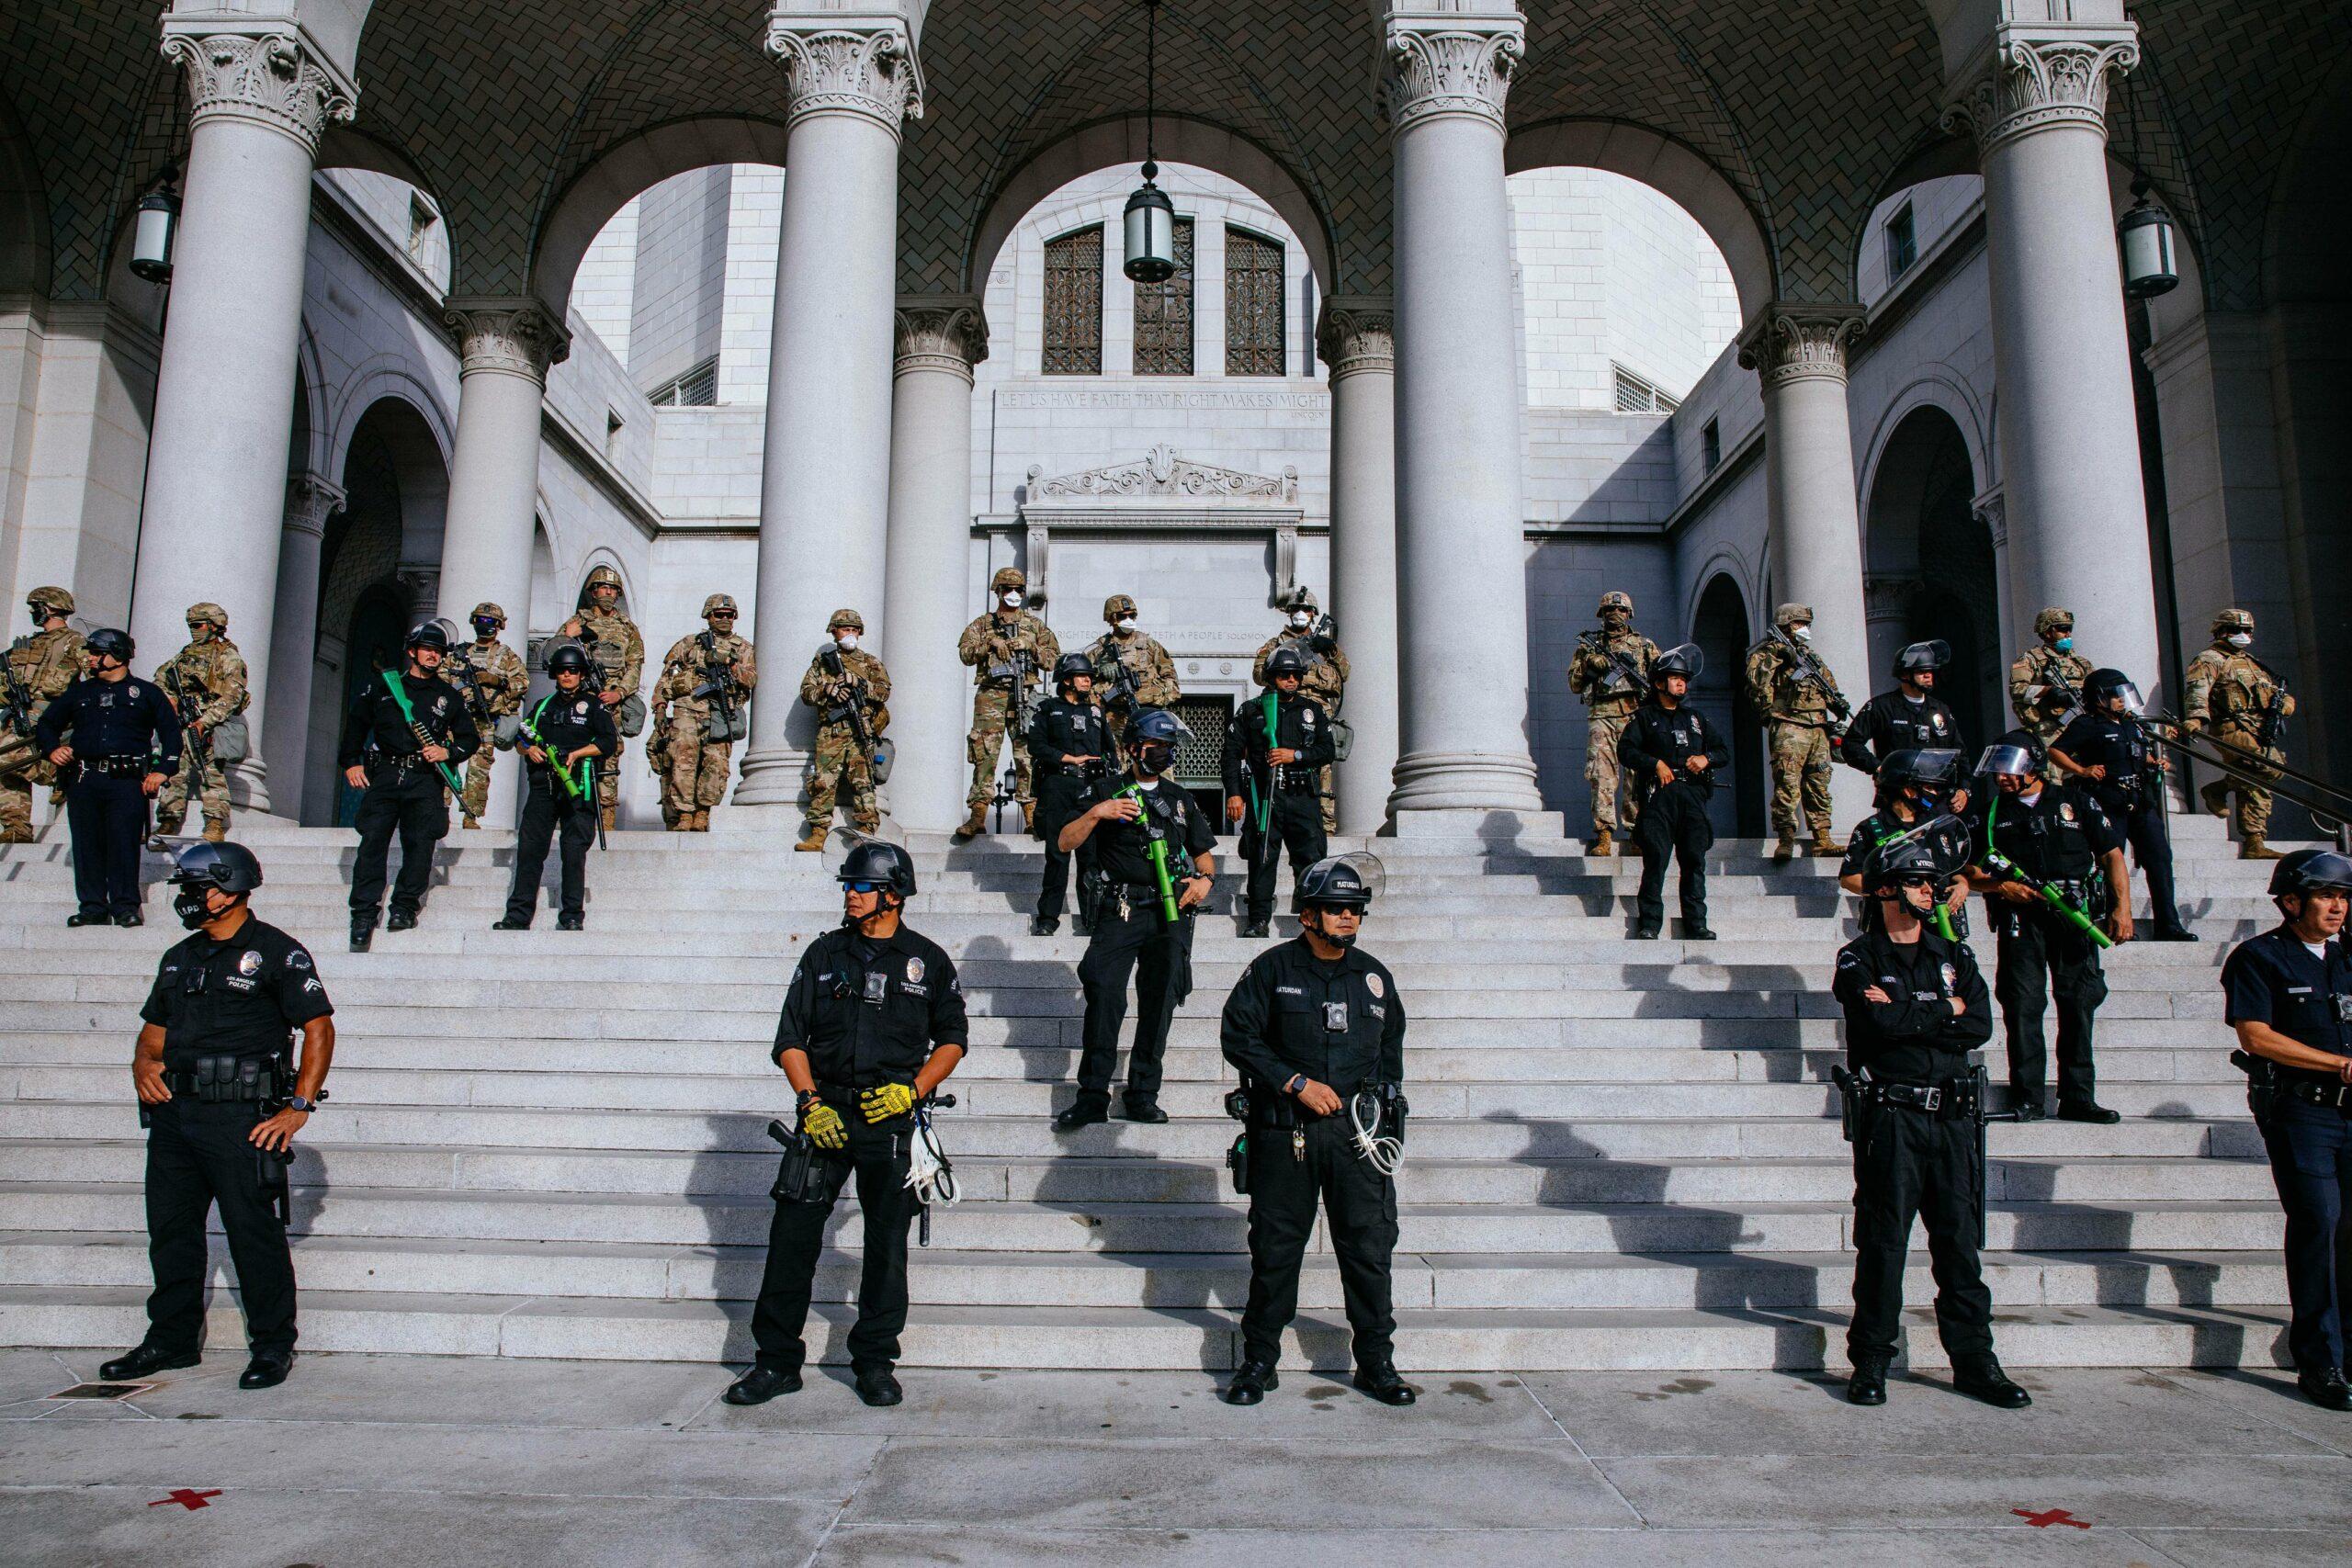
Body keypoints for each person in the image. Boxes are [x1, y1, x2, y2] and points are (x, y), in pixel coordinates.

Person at [727, 839, 967, 1410]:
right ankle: (776, 1362)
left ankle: (875, 1361)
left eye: (860, 887)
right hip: (825, 1113)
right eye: (848, 887)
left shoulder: (927, 960)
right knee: (791, 1241)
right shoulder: (822, 954)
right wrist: (810, 1102)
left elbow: (953, 1039)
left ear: (892, 895)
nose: (850, 896)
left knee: (887, 1245)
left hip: (890, 1119)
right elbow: (789, 1039)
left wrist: (912, 1090)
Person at [99, 840, 334, 1392]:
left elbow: (318, 1027)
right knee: (172, 1233)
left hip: (242, 1118)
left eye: (195, 888)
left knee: (254, 1235)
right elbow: (154, 1029)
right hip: (175, 1118)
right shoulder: (180, 955)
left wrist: (297, 1107)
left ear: (229, 891)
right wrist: (142, 1066)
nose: (187, 899)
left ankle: (272, 1346)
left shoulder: (277, 952)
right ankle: (171, 1341)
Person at [1832, 837, 2029, 1410]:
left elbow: (1980, 1028)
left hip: (1955, 1115)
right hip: (1893, 1116)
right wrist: (1946, 1010)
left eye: (1935, 884)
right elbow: (1878, 1025)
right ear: (1888, 888)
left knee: (1960, 1245)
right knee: (1884, 1243)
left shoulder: (1956, 956)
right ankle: (1871, 1360)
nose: (1932, 892)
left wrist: (1915, 1013)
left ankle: (1974, 1360)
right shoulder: (1858, 957)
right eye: (1920, 882)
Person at [1218, 854, 1413, 1408]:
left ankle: (1376, 1362)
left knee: (1369, 1250)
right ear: (1308, 915)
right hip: (1289, 1134)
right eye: (1337, 909)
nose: (1349, 918)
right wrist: (1294, 1083)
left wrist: (1382, 1116)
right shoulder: (1272, 970)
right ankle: (1259, 1361)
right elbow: (1239, 1037)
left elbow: (1390, 1053)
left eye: (1355, 910)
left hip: (1357, 1139)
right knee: (1277, 1250)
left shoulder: (1375, 978)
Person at [2220, 849, 2352, 1410]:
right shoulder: (2259, 957)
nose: (2337, 907)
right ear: (2291, 900)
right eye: (2326, 896)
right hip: (2304, 1111)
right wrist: (2338, 1065)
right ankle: (2319, 1360)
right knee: (2319, 1223)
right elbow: (2255, 1035)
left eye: (2344, 898)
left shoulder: (2349, 958)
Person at [1054, 707, 1216, 1128]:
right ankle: (1092, 1095)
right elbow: (1064, 841)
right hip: (1121, 909)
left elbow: (1204, 857)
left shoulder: (1180, 798)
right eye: (1155, 746)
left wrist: (1204, 882)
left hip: (1170, 911)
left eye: (1167, 747)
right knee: (1106, 997)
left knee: (1159, 1002)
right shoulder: (1106, 790)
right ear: (1132, 749)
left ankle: (1143, 1093)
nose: (1163, 753)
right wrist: (1097, 813)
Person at [1965, 736, 2131, 1122]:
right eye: (1999, 770)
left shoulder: (2075, 802)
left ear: (2033, 767)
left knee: (2078, 1001)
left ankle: (2078, 1097)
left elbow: (2111, 854)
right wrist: (1998, 886)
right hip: (2019, 917)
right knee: (2022, 1005)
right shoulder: (1989, 814)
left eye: (2010, 770)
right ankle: (2028, 1099)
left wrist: (2122, 907)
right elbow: (1968, 870)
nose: (2002, 777)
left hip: (2073, 915)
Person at [339, 621, 481, 952]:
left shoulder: (448, 696)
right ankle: (363, 912)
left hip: (425, 779)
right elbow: (356, 728)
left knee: (420, 846)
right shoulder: (383, 687)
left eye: (439, 651)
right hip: (386, 774)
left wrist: (448, 751)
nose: (433, 655)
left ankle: (404, 907)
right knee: (372, 843)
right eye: (428, 649)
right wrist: (352, 762)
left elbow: (469, 738)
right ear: (413, 652)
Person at [35, 627, 178, 927]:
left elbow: (172, 737)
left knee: (124, 844)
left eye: (98, 653)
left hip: (127, 781)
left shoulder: (147, 693)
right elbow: (47, 724)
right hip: (85, 779)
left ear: (119, 655)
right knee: (87, 845)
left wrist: (162, 771)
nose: (91, 659)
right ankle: (92, 908)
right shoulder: (80, 692)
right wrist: (52, 749)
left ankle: (125, 907)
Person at [2052, 669, 2193, 941]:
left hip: (2140, 802)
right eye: (2115, 695)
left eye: (2123, 694)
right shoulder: (2087, 724)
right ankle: (2112, 918)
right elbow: (2056, 751)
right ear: (2099, 698)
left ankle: (2168, 923)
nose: (2121, 700)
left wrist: (2156, 762)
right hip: (2109, 801)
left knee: (2160, 859)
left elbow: (2139, 753)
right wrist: (2082, 770)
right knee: (2111, 862)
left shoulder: (2132, 724)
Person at [492, 644, 615, 931]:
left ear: (581, 673)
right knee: (530, 850)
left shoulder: (593, 706)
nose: (567, 675)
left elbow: (608, 742)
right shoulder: (543, 706)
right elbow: (522, 738)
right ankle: (518, 915)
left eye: (573, 671)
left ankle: (572, 913)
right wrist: (529, 751)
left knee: (573, 851)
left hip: (578, 787)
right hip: (543, 787)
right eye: (562, 671)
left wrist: (578, 753)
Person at [1224, 645, 1335, 940]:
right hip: (1265, 796)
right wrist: (1235, 794)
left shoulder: (1311, 710)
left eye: (1296, 675)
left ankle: (1309, 918)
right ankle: (1258, 919)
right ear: (1272, 677)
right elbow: (1231, 755)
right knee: (1261, 859)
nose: (1291, 680)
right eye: (1284, 674)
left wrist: (1294, 755)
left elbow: (1327, 750)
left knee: (1310, 859)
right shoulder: (1251, 710)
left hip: (1302, 797)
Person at [1619, 644, 1729, 941]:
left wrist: (1706, 758)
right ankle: (1650, 923)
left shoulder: (1696, 719)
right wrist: (1655, 763)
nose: (1681, 683)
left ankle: (1696, 923)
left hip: (1692, 796)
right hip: (1660, 797)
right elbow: (1625, 751)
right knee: (1656, 860)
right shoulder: (1645, 718)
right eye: (1675, 677)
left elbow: (1722, 750)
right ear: (1659, 683)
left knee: (1694, 861)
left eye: (1684, 679)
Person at [953, 566, 1058, 842]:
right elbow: (965, 653)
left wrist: (1031, 647)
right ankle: (978, 817)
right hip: (992, 694)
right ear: (997, 591)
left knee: (1028, 756)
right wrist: (989, 644)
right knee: (984, 755)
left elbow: (1053, 659)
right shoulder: (982, 624)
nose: (1013, 594)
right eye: (1008, 589)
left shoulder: (1035, 626)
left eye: (1018, 590)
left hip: (1025, 695)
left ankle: (1032, 817)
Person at [2182, 607, 2296, 860]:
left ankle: (2255, 841)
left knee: (2259, 782)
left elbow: (2277, 692)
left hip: (2257, 729)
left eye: (2247, 630)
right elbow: (2198, 689)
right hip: (2230, 727)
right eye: (2236, 630)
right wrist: (2196, 718)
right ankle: (2218, 789)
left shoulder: (2253, 663)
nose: (2242, 635)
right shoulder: (2210, 659)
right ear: (2220, 632)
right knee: (2270, 766)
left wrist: (2286, 703)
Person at [1744, 603, 1847, 860]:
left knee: (1819, 782)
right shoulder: (1768, 654)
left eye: (1806, 624)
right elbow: (1756, 681)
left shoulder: (1810, 656)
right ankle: (1785, 837)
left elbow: (1827, 684)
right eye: (1799, 624)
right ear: (1786, 626)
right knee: (1787, 783)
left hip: (1817, 725)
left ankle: (1822, 836)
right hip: (1789, 722)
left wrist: (1837, 702)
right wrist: (1779, 656)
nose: (1805, 629)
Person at [1838, 748, 1973, 938]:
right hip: (1895, 926)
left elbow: (1954, 872)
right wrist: (1893, 891)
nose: (1935, 793)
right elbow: (1849, 878)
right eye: (1929, 788)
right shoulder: (1871, 828)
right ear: (1909, 790)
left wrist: (1962, 885)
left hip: (1940, 924)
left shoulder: (1939, 825)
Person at [653, 592, 757, 832]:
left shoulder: (742, 648)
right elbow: (667, 677)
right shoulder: (689, 643)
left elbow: (751, 679)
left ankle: (703, 813)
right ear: (708, 616)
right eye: (719, 614)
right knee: (683, 761)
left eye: (729, 615)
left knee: (716, 765)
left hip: (721, 712)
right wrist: (660, 708)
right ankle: (684, 813)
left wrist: (729, 663)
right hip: (688, 710)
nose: (725, 619)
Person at [1026, 651, 1113, 936]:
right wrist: (1067, 758)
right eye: (1082, 675)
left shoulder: (1098, 713)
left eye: (1089, 675)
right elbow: (1035, 746)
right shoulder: (1048, 709)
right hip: (1058, 787)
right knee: (1057, 856)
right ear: (1066, 680)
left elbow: (1110, 752)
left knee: (1090, 858)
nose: (1088, 679)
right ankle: (1048, 919)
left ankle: (1091, 918)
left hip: (1091, 790)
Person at [1565, 591, 1657, 857]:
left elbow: (1659, 680)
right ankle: (1603, 834)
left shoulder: (1645, 646)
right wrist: (1591, 667)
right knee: (1601, 775)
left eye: (1620, 610)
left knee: (1636, 776)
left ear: (1629, 614)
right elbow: (1574, 684)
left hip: (1635, 716)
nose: (1614, 614)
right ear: (1601, 615)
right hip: (1602, 716)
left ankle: (1636, 832)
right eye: (1608, 611)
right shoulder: (1589, 646)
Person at [150, 602, 249, 845]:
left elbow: (232, 696)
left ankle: (215, 823)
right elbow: (160, 678)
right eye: (191, 625)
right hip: (181, 720)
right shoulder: (185, 654)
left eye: (198, 625)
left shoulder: (228, 657)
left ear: (214, 626)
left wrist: (205, 722)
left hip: (210, 723)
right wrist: (169, 698)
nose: (194, 630)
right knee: (173, 770)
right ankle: (169, 819)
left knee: (211, 773)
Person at [1253, 589, 1348, 832]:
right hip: (1286, 711)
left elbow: (1345, 674)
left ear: (1314, 614)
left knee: (1322, 770)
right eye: (1295, 609)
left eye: (1305, 610)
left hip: (1319, 715)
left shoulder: (1324, 649)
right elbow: (1258, 674)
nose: (1300, 614)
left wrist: (1331, 648)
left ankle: (1324, 826)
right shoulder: (1276, 644)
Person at [795, 609, 889, 852]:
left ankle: (866, 831)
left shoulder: (869, 662)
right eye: (845, 629)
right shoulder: (823, 662)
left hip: (861, 731)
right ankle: (817, 832)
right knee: (823, 782)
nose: (850, 634)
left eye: (854, 629)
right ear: (834, 631)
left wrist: (859, 683)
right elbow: (807, 692)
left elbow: (884, 691)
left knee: (864, 782)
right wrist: (828, 690)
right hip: (832, 732)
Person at [560, 564, 644, 834]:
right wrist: (567, 637)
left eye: (613, 589)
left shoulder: (627, 628)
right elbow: (555, 656)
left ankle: (606, 818)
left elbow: (635, 664)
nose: (608, 593)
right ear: (593, 592)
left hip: (611, 703)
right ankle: (571, 814)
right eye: (603, 588)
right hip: (580, 701)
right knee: (573, 752)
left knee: (609, 756)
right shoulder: (577, 622)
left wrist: (620, 692)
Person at [2, 585, 88, 842]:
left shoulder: (74, 641)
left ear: (49, 609)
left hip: (52, 716)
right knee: (7, 769)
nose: (32, 612)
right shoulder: (28, 644)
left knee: (7, 759)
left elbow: (95, 676)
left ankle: (60, 774)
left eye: (36, 607)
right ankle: (16, 826)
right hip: (18, 715)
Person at [446, 603, 529, 829]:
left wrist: (497, 681)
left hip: (485, 720)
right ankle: (441, 809)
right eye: (481, 621)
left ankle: (470, 815)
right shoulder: (459, 655)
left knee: (479, 769)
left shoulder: (507, 656)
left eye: (490, 622)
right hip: (456, 720)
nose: (485, 626)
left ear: (499, 625)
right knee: (446, 761)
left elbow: (523, 683)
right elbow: (442, 680)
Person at [1842, 639, 1962, 776]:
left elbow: (1959, 751)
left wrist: (1964, 788)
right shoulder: (1881, 706)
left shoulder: (1940, 709)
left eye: (1931, 670)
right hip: (1897, 791)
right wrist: (1880, 768)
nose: (1928, 675)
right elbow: (1851, 744)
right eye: (1921, 671)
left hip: (1936, 792)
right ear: (1905, 674)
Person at [1083, 593, 1180, 756]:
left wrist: (1156, 698)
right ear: (1111, 619)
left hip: (1149, 714)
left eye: (1132, 615)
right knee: (1114, 762)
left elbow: (1172, 681)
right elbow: (1082, 682)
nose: (1129, 619)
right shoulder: (1099, 649)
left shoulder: (1150, 645)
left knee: (1157, 759)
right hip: (1115, 716)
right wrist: (1101, 669)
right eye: (1122, 616)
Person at [2007, 607, 2093, 766]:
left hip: (2081, 727)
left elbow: (2096, 688)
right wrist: (2048, 691)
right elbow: (2016, 690)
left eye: (2070, 628)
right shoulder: (2031, 659)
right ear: (2047, 631)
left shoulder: (2080, 662)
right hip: (2051, 730)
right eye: (2062, 629)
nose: (2068, 634)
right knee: (2054, 779)